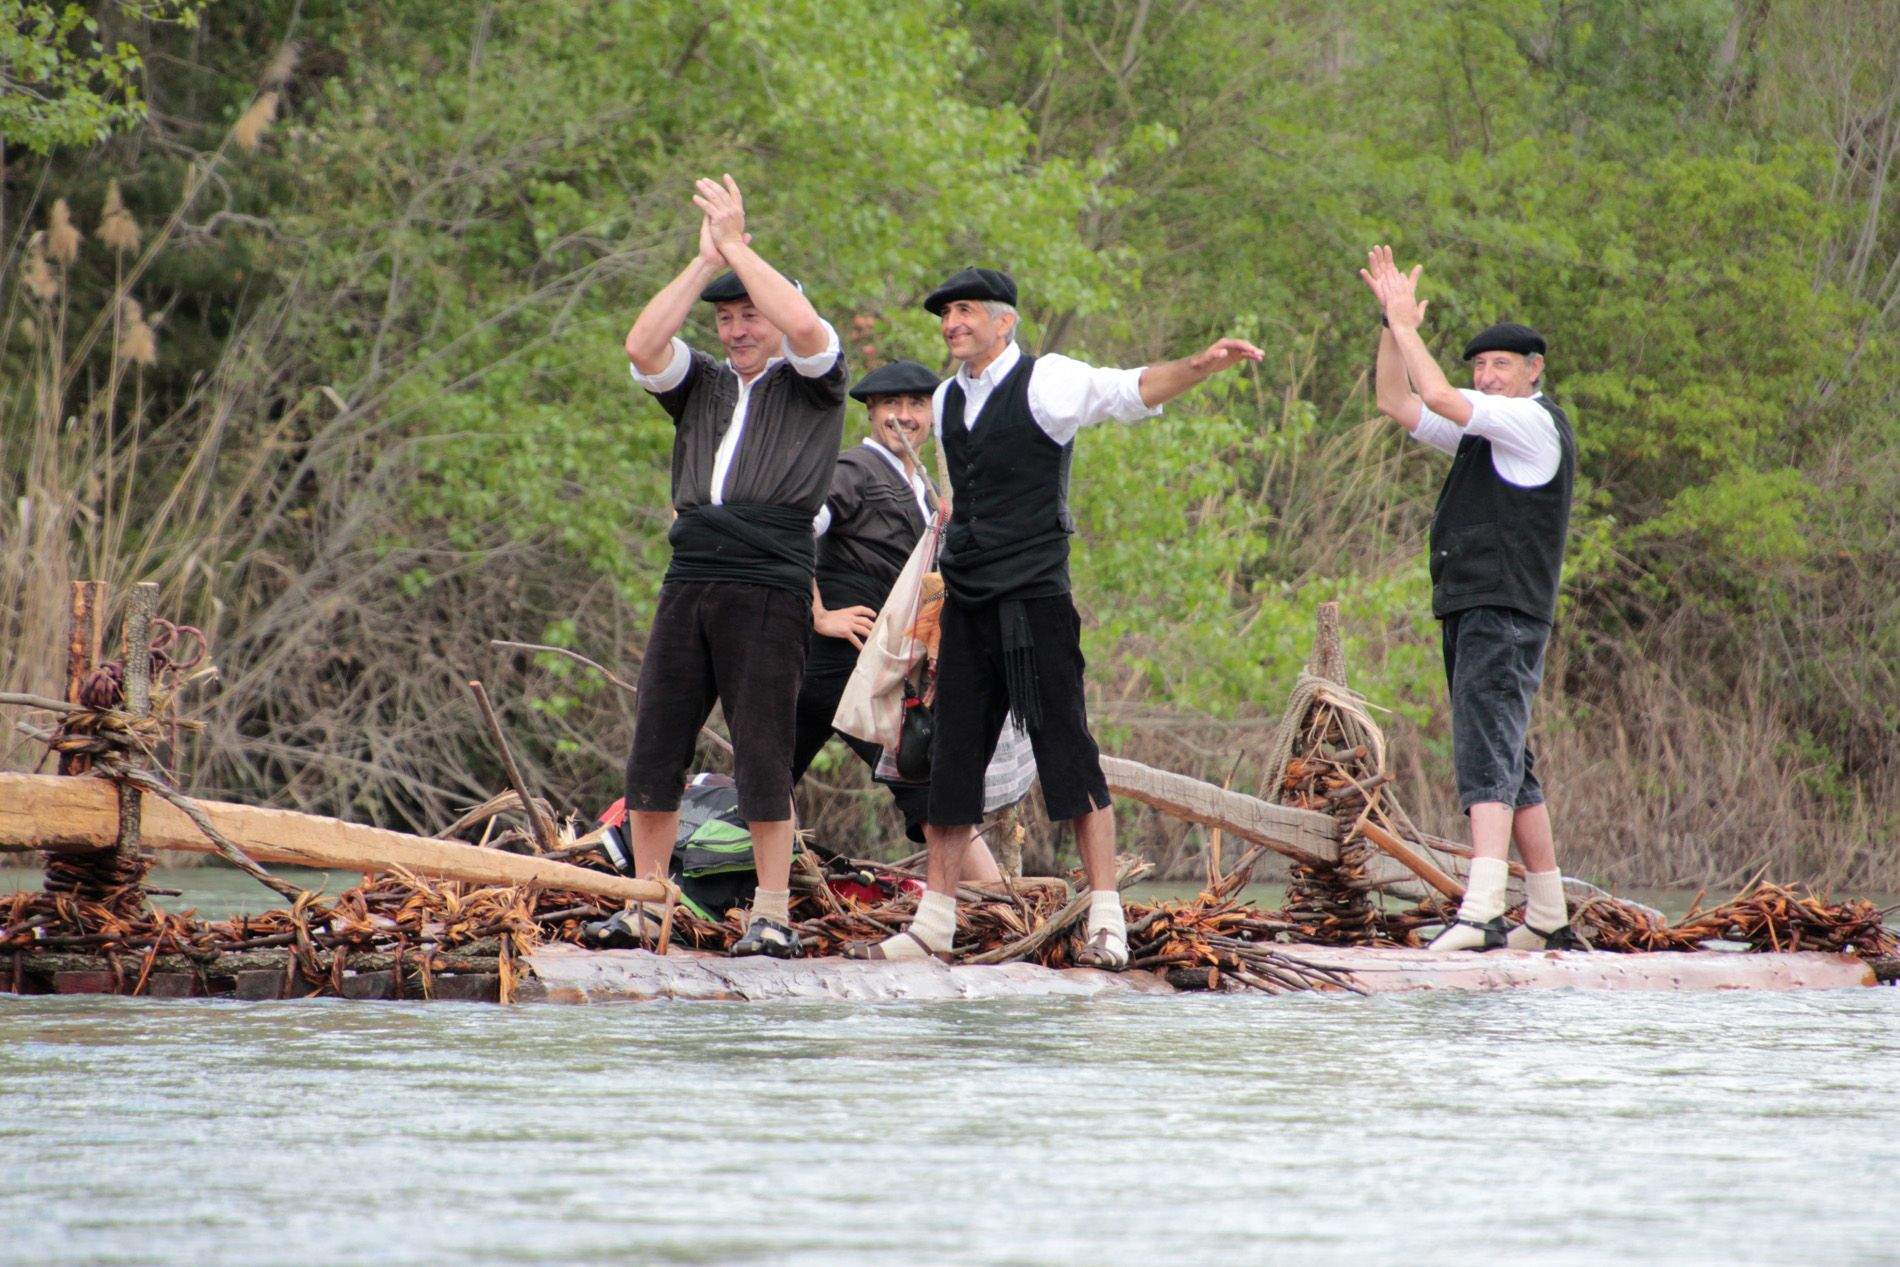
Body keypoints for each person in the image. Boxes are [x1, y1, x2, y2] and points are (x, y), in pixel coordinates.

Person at [848, 267, 1263, 966]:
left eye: (967, 311)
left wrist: (1200, 365)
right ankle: (935, 923)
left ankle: (1107, 918)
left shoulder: (1048, 381)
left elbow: (1128, 389)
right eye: (946, 314)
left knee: (1068, 751)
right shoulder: (946, 399)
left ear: (1004, 322)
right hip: (970, 605)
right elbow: (961, 497)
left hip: (1036, 599)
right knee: (950, 764)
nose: (953, 323)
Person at [620, 174, 845, 959]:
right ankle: (648, 901)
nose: (738, 329)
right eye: (726, 317)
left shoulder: (816, 383)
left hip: (769, 576)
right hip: (693, 574)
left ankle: (772, 911)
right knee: (656, 741)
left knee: (761, 749)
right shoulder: (704, 385)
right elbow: (642, 345)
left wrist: (743, 248)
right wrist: (704, 258)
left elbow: (805, 323)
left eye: (749, 314)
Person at [1359, 244, 1587, 952]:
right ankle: (1547, 911)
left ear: (1533, 371)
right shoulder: (1484, 429)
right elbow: (1396, 400)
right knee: (1510, 755)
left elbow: (1437, 396)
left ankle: (1483, 910)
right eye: (1480, 367)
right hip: (1473, 604)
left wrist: (1410, 323)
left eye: (1501, 367)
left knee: (1485, 749)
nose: (1486, 377)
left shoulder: (1529, 421)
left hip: (1505, 606)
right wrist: (1389, 325)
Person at [796, 360, 1003, 882]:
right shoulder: (855, 470)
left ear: (931, 414)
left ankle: (747, 888)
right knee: (921, 774)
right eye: (891, 406)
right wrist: (818, 612)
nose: (903, 417)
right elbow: (795, 527)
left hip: (875, 658)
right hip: (843, 659)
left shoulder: (924, 486)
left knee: (768, 773)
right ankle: (1000, 900)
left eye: (915, 405)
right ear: (871, 413)